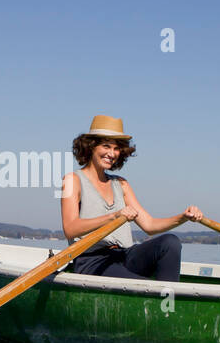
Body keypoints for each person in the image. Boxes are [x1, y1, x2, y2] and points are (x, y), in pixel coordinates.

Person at [59, 115, 203, 282]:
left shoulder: (121, 184)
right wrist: (114, 216)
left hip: (124, 255)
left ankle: (168, 297)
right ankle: (156, 294)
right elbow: (70, 228)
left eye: (116, 148)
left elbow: (149, 225)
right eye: (106, 146)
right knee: (146, 287)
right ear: (91, 146)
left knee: (170, 242)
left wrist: (183, 217)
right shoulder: (72, 180)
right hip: (93, 260)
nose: (111, 153)